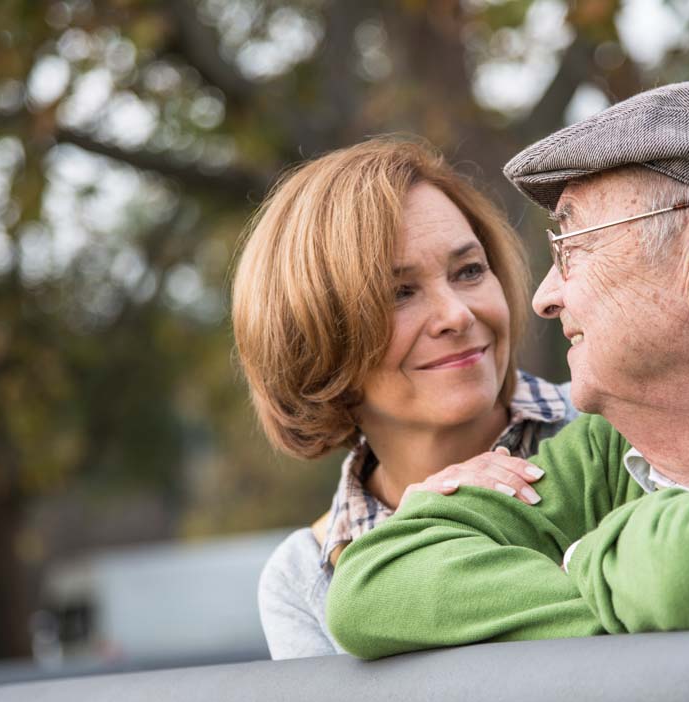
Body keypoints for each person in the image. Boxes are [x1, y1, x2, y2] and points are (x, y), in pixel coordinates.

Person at [325, 78, 689, 659]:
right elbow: (374, 585)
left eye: (571, 244)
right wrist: (642, 592)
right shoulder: (618, 443)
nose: (543, 297)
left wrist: (577, 554)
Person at [231, 139, 577, 659]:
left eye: (468, 271)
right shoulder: (306, 578)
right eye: (399, 293)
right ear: (317, 339)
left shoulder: (623, 425)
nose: (457, 315)